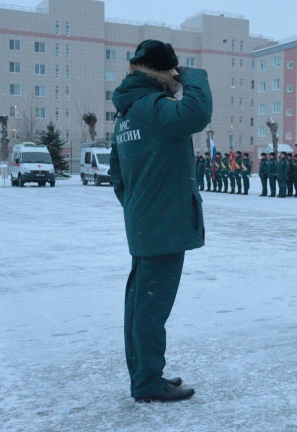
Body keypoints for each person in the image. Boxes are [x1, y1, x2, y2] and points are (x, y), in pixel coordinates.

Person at [108, 39, 209, 402]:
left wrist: (137, 205)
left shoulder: (127, 111)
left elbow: (116, 172)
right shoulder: (154, 105)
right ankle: (148, 382)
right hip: (162, 223)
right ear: (164, 71)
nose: (176, 77)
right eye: (174, 70)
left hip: (147, 221)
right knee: (151, 307)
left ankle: (146, 373)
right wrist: (195, 75)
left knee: (140, 303)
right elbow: (196, 115)